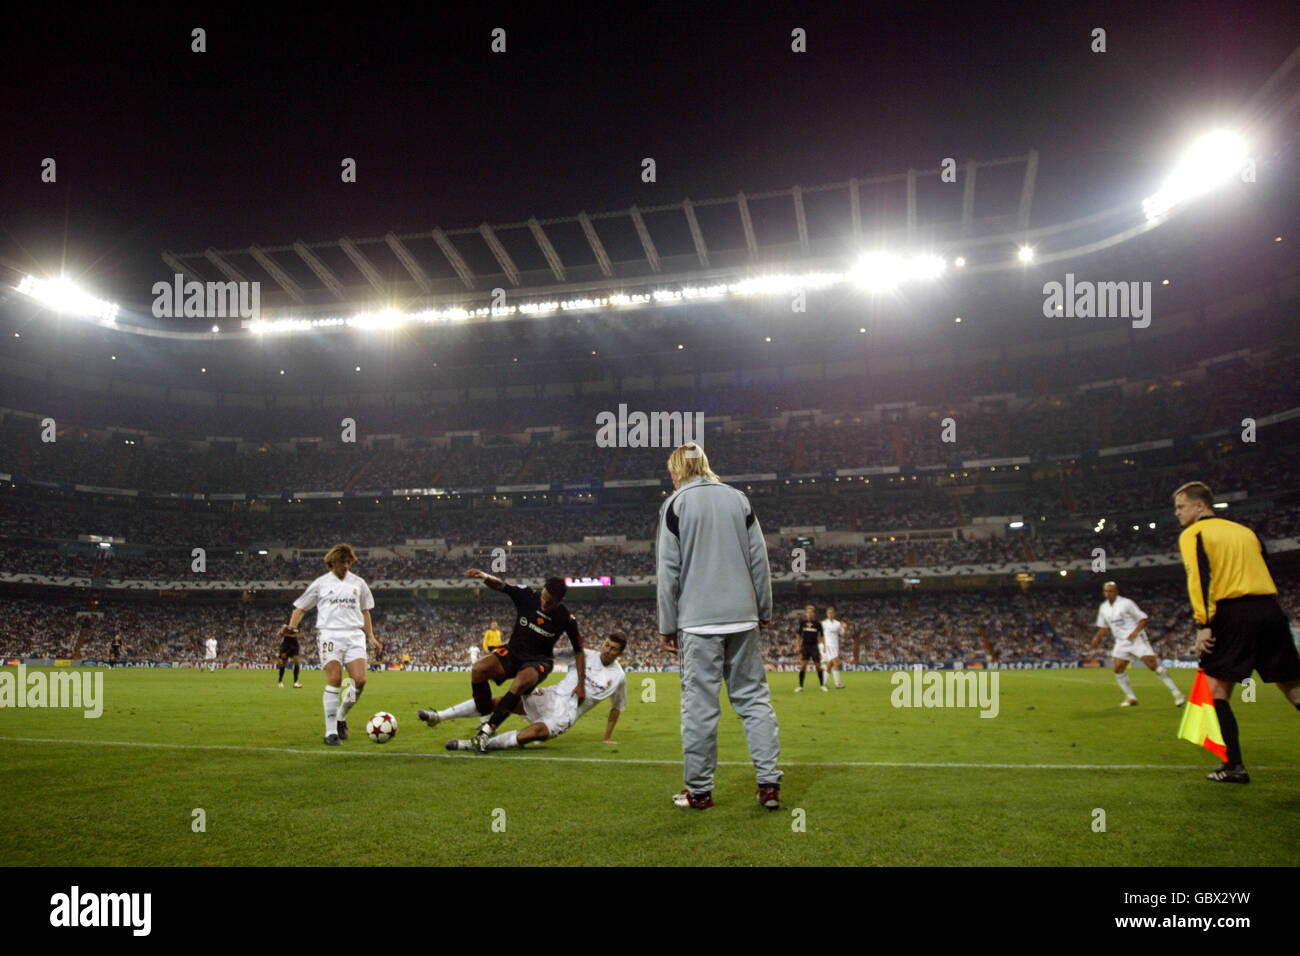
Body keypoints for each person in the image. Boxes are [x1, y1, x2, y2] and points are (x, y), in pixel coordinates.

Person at [657, 442, 782, 811]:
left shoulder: (675, 505)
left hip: (698, 622)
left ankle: (699, 793)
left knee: (700, 709)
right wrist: (763, 609)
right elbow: (760, 560)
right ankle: (769, 785)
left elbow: (668, 573)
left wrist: (667, 625)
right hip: (743, 617)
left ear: (676, 471)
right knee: (755, 700)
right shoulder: (739, 500)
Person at [1174, 482, 1300, 783]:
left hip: (1232, 614)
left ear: (1199, 505)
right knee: (1294, 688)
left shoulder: (1193, 534)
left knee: (1216, 691)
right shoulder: (1246, 532)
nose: (1177, 513)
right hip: (1269, 611)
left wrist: (1203, 625)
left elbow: (1200, 580)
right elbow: (1267, 570)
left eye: (1180, 507)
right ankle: (1231, 766)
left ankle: (1234, 767)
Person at [428, 633, 628, 751]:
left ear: (620, 653)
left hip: (565, 714)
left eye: (613, 649)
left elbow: (616, 708)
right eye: (606, 645)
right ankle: (440, 716)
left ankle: (474, 744)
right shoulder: (584, 655)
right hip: (549, 697)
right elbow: (550, 654)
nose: (607, 650)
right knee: (501, 702)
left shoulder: (618, 677)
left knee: (534, 733)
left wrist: (607, 736)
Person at [460, 569, 585, 754]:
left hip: (539, 661)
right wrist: (484, 577)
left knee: (520, 683)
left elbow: (579, 651)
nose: (544, 603)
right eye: (544, 597)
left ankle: (486, 732)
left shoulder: (565, 618)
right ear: (542, 590)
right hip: (513, 652)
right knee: (478, 670)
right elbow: (501, 585)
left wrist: (581, 684)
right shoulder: (527, 595)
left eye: (550, 602)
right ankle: (486, 718)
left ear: (559, 602)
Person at [281, 543, 382, 746]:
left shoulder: (359, 583)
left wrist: (370, 636)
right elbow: (300, 608)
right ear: (332, 562)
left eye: (348, 562)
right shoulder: (321, 584)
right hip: (330, 635)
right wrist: (291, 627)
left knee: (360, 680)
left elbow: (365, 611)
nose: (346, 565)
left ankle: (341, 716)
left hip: (354, 635)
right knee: (335, 678)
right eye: (342, 562)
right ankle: (330, 733)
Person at [1091, 581, 1184, 707]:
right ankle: (1131, 697)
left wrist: (1135, 632)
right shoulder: (1104, 607)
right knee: (1118, 668)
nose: (1108, 593)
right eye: (1106, 591)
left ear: (1117, 591)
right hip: (1121, 642)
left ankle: (1177, 693)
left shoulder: (1126, 603)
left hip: (1136, 639)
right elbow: (1105, 626)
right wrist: (1097, 638)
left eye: (1111, 590)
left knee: (1152, 665)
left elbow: (1143, 618)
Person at [796, 604, 826, 692]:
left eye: (811, 612)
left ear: (814, 613)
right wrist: (798, 645)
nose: (809, 614)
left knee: (818, 666)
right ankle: (801, 686)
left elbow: (822, 636)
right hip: (805, 646)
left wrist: (824, 646)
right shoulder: (802, 623)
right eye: (807, 612)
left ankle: (822, 685)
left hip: (814, 647)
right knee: (803, 666)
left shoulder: (817, 624)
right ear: (806, 613)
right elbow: (798, 635)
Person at [821, 606, 847, 688]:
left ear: (834, 614)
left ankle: (823, 683)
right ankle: (837, 683)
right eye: (829, 613)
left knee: (829, 665)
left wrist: (844, 628)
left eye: (832, 613)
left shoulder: (838, 623)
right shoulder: (824, 623)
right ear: (827, 614)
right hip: (829, 645)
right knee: (836, 663)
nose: (830, 614)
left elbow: (842, 635)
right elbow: (822, 636)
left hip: (835, 646)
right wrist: (824, 646)